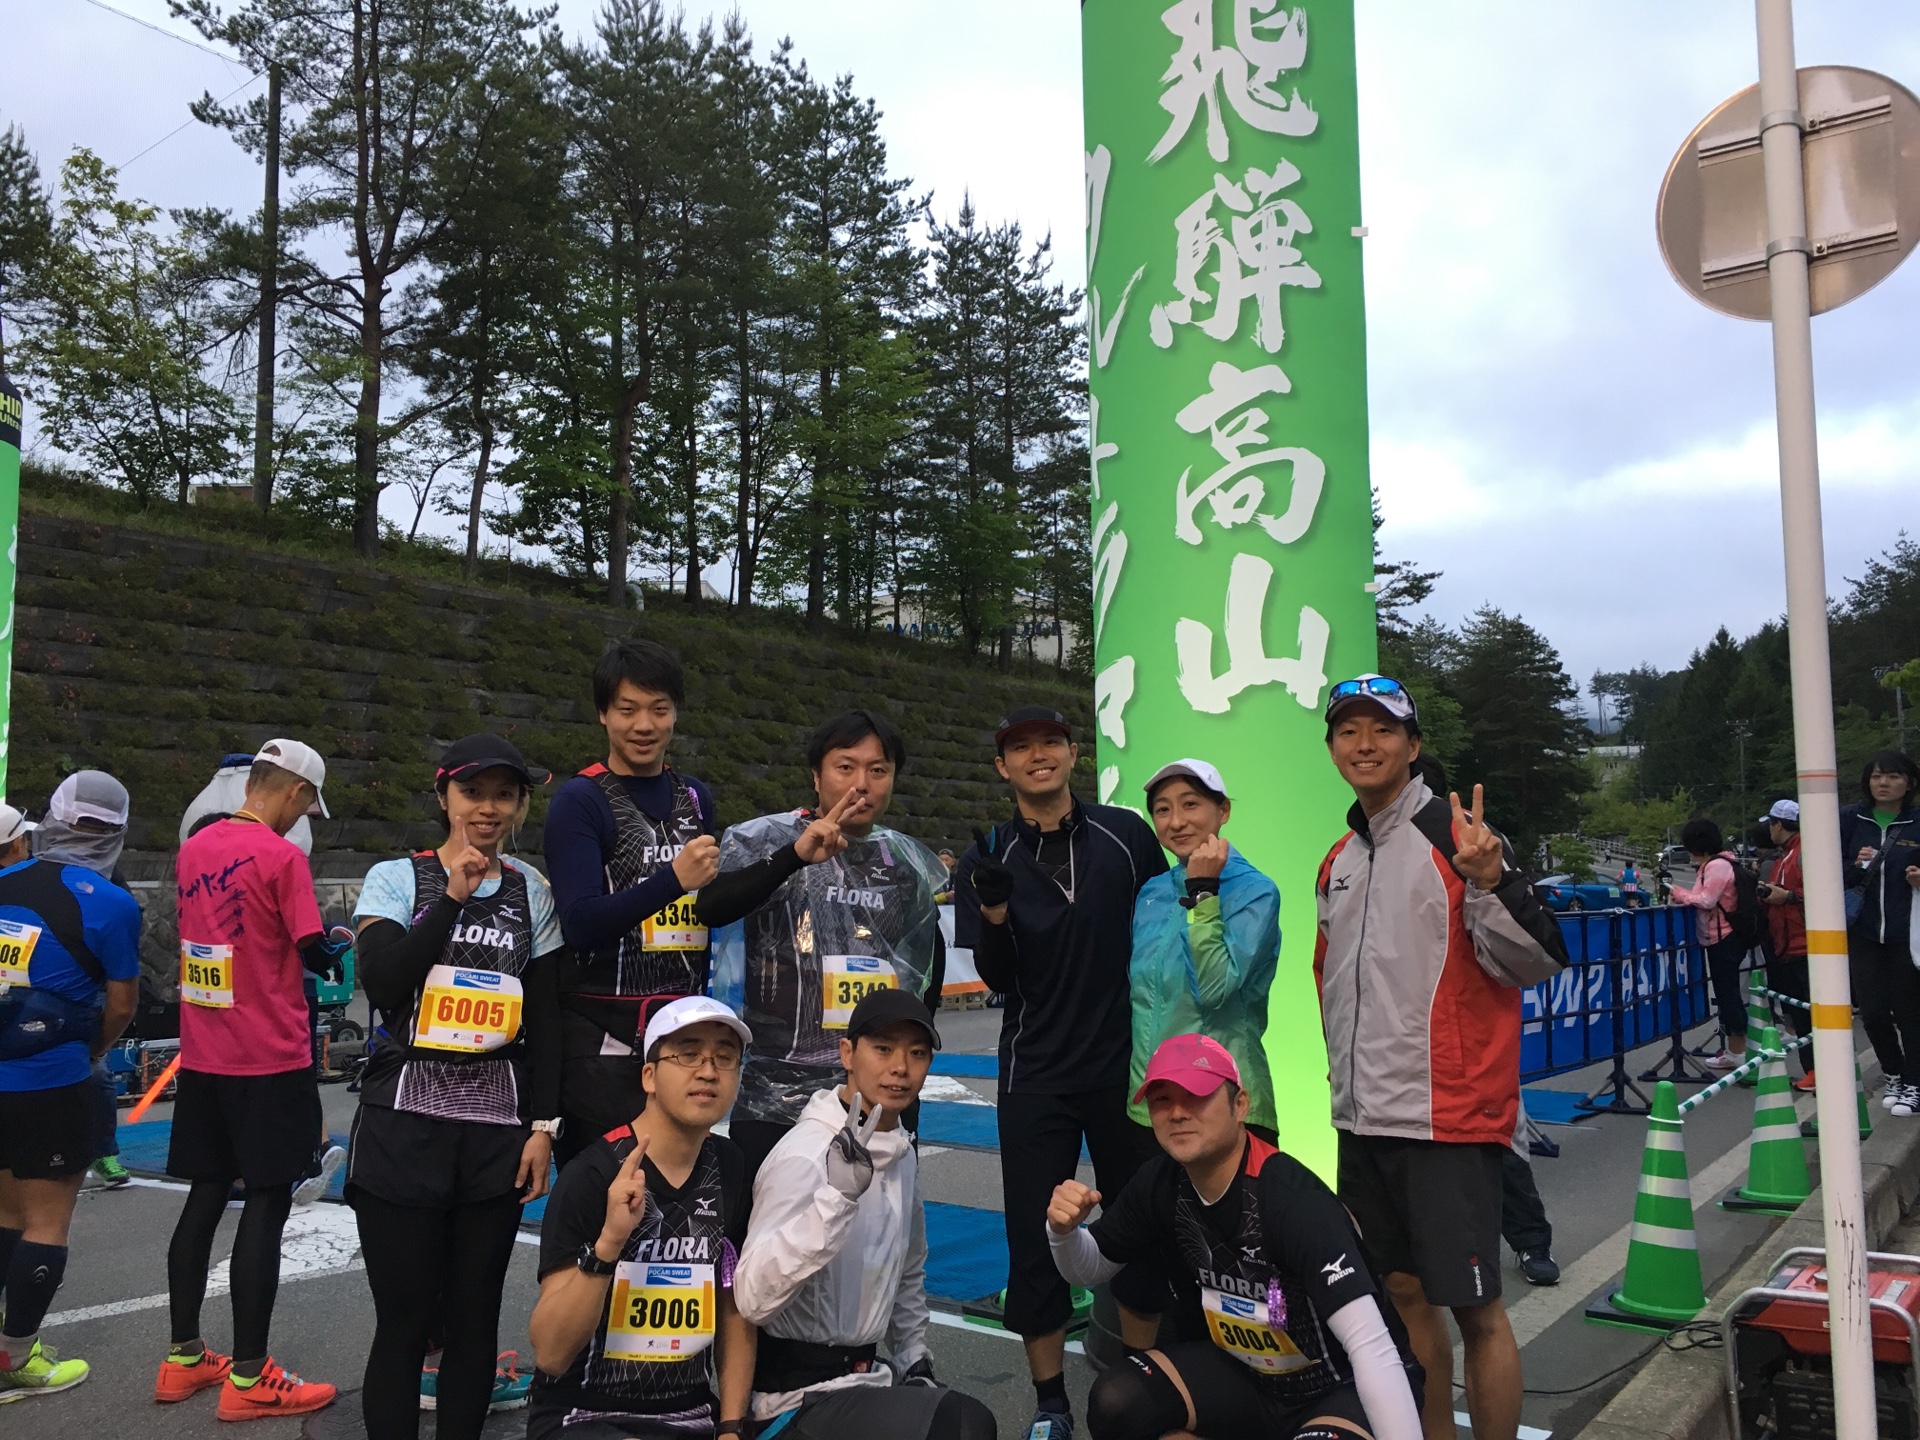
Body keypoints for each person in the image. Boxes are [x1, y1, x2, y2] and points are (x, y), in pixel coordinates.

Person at [1314, 674, 1567, 1440]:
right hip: (1364, 1117)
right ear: (1331, 748)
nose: (1365, 743)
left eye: (1383, 729)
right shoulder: (1338, 858)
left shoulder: (1454, 838)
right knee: (1400, 1294)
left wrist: (1491, 879)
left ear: (1413, 746)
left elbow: (1536, 960)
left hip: (1447, 1118)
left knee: (1478, 1310)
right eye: (1348, 731)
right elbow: (1331, 981)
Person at [955, 705, 1169, 1440]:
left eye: (1050, 742)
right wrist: (990, 911)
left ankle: (1144, 1388)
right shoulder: (989, 852)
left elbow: (1162, 931)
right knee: (1032, 1239)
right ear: (1002, 768)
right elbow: (998, 977)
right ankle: (1050, 1404)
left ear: (1074, 752)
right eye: (1020, 748)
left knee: (1141, 1229)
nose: (1037, 756)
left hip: (1124, 1068)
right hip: (1036, 1070)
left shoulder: (1127, 835)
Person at [1046, 1033, 1424, 1440]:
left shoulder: (1291, 1199)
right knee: (1117, 1401)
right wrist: (1062, 1232)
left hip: (1338, 1384)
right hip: (1249, 1377)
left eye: (1196, 1096)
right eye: (1162, 1100)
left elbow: (1373, 1349)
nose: (1177, 1113)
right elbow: (1090, 1267)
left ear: (1240, 1105)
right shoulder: (1162, 1182)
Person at [346, 734, 563, 1438]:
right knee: (405, 1320)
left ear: (521, 805)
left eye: (505, 794)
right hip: (402, 1121)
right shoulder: (397, 878)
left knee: (475, 1315)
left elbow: (548, 1018)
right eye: (473, 792)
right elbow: (382, 983)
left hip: (493, 1129)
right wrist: (451, 899)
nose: (488, 808)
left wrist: (543, 1126)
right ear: (443, 797)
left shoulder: (532, 889)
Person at [158, 739, 341, 1419]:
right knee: (267, 1204)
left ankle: (183, 1358)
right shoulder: (282, 857)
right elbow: (315, 953)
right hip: (270, 1058)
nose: (305, 821)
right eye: (308, 807)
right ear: (294, 792)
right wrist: (343, 942)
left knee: (205, 1198)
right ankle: (249, 1375)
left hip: (206, 1055)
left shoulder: (194, 847)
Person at [734, 988, 996, 1440]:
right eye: (883, 1049)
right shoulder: (805, 1155)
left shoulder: (899, 1151)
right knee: (964, 1426)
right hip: (793, 1399)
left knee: (948, 1414)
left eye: (917, 1053)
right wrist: (835, 1201)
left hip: (866, 1377)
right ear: (847, 1054)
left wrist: (915, 1358)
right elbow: (751, 1297)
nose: (900, 1067)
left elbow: (908, 1269)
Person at [711, 710, 949, 1180]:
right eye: (845, 767)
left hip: (874, 1087)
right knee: (774, 1240)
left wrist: (902, 1050)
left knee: (877, 1238)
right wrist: (793, 857)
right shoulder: (763, 840)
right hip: (772, 1092)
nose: (862, 784)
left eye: (878, 770)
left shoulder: (901, 862)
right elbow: (713, 909)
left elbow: (924, 964)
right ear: (816, 777)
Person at [528, 995, 757, 1440]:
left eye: (725, 1058)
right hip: (587, 1416)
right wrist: (610, 1243)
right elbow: (551, 1355)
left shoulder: (729, 1166)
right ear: (649, 1076)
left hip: (690, 1415)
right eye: (688, 1054)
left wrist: (730, 1427)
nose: (708, 1070)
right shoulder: (594, 1175)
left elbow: (733, 1309)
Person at [544, 641, 722, 1162]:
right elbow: (579, 922)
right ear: (603, 715)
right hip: (604, 1038)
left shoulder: (694, 798)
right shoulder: (581, 800)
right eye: (627, 710)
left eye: (659, 709)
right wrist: (672, 880)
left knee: (676, 1198)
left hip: (682, 1030)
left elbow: (707, 907)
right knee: (605, 1204)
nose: (644, 725)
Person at [0, 800, 141, 1400]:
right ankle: (16, 1359)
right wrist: (91, 1051)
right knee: (47, 1221)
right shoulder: (110, 902)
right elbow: (123, 1004)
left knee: (5, 1214)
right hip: (50, 1077)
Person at [1131, 759, 1279, 1140]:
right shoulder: (1152, 892)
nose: (1176, 821)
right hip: (1155, 1104)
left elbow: (1214, 989)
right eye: (1163, 809)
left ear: (1223, 810)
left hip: (1222, 1101)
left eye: (1190, 804)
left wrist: (1203, 892)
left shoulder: (1255, 891)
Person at [29, 772, 137, 1192]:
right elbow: (125, 1001)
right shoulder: (20, 879)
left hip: (74, 1010)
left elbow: (122, 993)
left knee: (97, 1077)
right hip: (39, 1017)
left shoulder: (112, 889)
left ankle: (105, 1152)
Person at [1840, 750, 1920, 1114]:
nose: (1884, 783)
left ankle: (1916, 1084)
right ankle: (1895, 1075)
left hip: (1909, 933)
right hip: (1864, 931)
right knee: (1871, 1011)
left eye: (1892, 776)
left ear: (1909, 782)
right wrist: (1855, 868)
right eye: (1876, 776)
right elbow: (1824, 868)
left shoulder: (1917, 822)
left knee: (1909, 1011)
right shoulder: (1849, 819)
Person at [1668, 819, 1750, 1073]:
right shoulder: (1721, 863)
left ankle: (1737, 1052)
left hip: (1724, 938)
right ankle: (1735, 1050)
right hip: (1723, 937)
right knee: (1728, 993)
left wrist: (1678, 893)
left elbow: (1706, 900)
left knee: (1728, 995)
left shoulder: (1715, 866)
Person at [1756, 800, 1814, 1092]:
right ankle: (1813, 1072)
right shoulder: (1785, 855)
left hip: (1804, 943)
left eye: (1771, 823)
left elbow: (1820, 889)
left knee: (1809, 1012)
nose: (1769, 829)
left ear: (1779, 824)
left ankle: (1818, 1072)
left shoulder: (1802, 853)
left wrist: (1788, 896)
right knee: (1802, 1012)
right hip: (1789, 943)